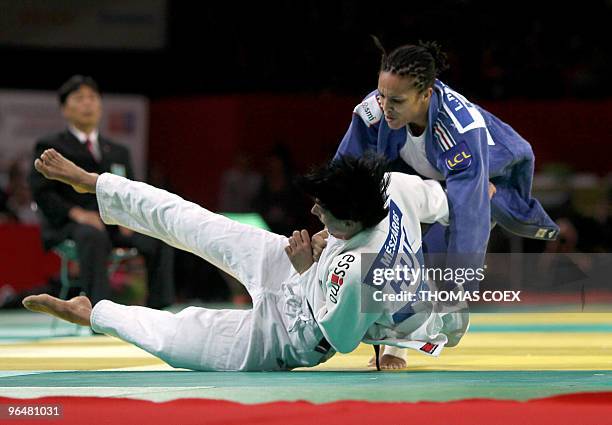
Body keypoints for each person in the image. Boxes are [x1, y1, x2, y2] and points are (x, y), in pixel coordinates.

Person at [24, 148, 457, 371]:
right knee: (195, 222)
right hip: (286, 261)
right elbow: (442, 199)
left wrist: (309, 272)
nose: (313, 213)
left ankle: (96, 312)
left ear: (354, 220)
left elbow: (340, 337)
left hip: (292, 334)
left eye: (324, 212)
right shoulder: (392, 187)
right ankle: (95, 184)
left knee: (182, 340)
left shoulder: (368, 271)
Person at [334, 40, 560, 368]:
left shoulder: (459, 131)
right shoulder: (375, 110)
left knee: (443, 241)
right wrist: (330, 219)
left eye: (397, 100)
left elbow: (468, 216)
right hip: (422, 170)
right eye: (382, 95)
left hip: (492, 171)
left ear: (425, 94)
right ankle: (396, 333)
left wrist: (458, 286)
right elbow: (344, 169)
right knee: (381, 220)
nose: (386, 106)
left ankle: (402, 343)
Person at [29, 75, 174, 308]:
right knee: (92, 235)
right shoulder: (51, 147)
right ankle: (100, 312)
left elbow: (130, 189)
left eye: (92, 98)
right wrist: (77, 213)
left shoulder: (118, 151)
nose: (87, 104)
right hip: (71, 225)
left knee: (158, 236)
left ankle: (160, 310)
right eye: (79, 98)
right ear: (65, 109)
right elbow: (42, 192)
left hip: (113, 222)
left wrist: (129, 217)